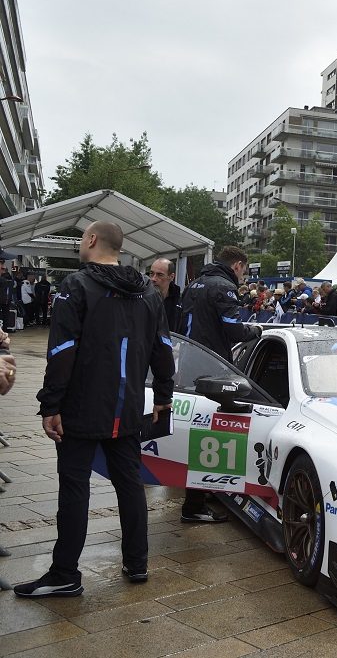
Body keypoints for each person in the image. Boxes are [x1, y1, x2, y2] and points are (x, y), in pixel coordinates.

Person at [14, 222, 175, 599]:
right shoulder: (149, 293)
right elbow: (163, 349)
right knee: (130, 484)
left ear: (90, 240)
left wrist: (50, 404)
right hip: (127, 408)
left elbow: (61, 351)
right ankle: (137, 562)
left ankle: (65, 572)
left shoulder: (77, 285)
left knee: (74, 487)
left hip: (81, 408)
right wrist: (163, 395)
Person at [178, 246, 261, 523]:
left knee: (194, 430)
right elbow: (234, 329)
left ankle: (198, 492)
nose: (243, 277)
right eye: (244, 271)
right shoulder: (224, 287)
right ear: (237, 265)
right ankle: (195, 505)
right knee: (209, 434)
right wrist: (256, 330)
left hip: (189, 363)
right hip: (212, 367)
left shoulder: (195, 284)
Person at [147, 259, 180, 331]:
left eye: (160, 275)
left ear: (171, 277)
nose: (153, 279)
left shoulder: (180, 302)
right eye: (151, 273)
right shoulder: (142, 298)